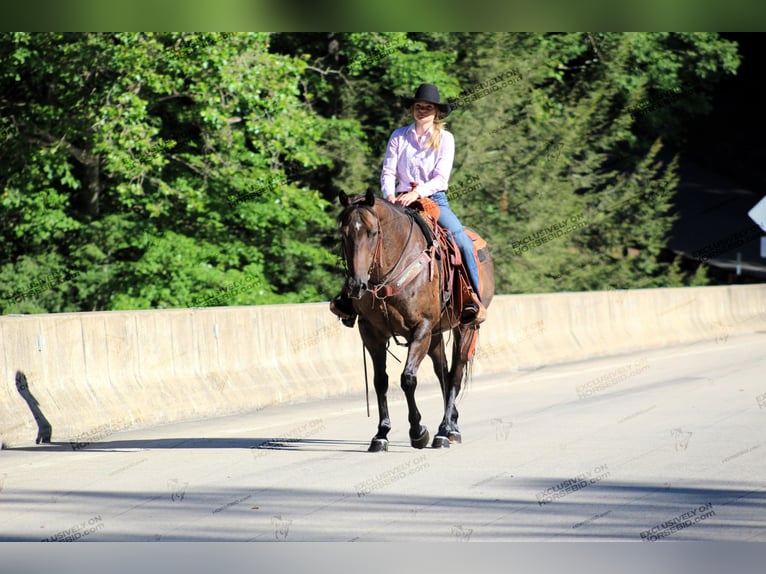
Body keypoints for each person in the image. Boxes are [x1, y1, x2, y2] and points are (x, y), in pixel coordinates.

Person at [331, 83, 486, 327]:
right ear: (413, 109)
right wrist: (390, 196)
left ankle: (472, 299)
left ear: (436, 112)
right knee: (363, 236)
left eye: (427, 107)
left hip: (432, 200)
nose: (422, 110)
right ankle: (350, 297)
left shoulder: (445, 139)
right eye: (418, 106)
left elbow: (440, 178)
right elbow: (388, 170)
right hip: (397, 201)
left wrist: (416, 194)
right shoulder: (399, 135)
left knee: (461, 241)